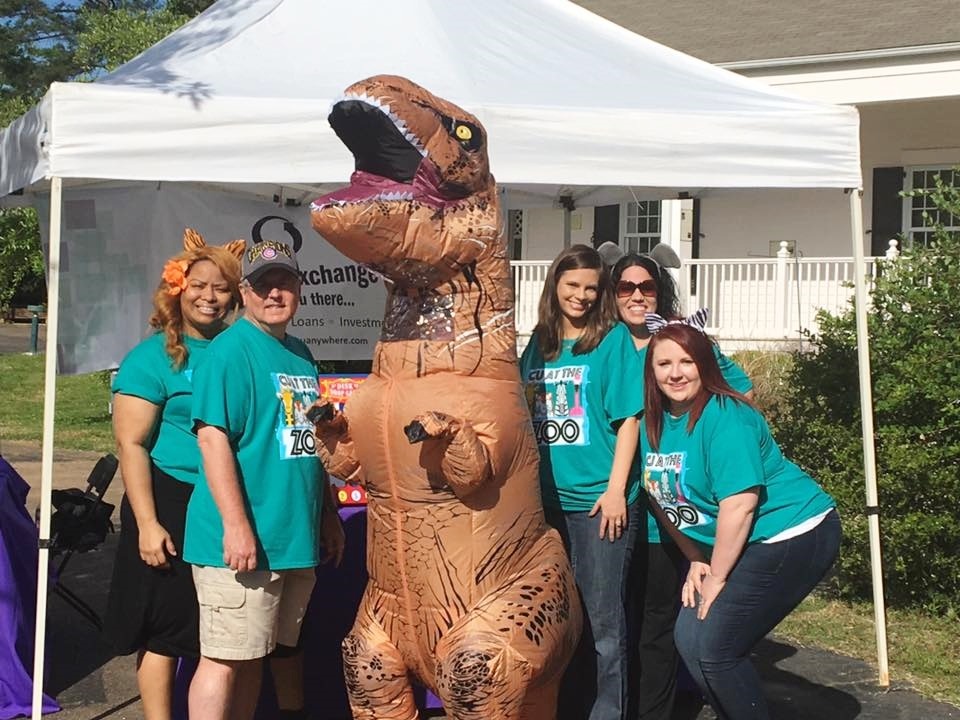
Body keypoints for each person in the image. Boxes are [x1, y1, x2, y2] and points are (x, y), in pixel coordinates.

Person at [640, 319, 841, 720]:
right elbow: (658, 494)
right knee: (689, 639)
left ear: (705, 365)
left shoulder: (726, 415)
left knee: (716, 649)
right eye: (664, 364)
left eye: (686, 361)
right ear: (652, 372)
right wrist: (695, 555)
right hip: (741, 541)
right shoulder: (655, 423)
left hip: (792, 532)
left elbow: (740, 505)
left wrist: (717, 576)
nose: (675, 373)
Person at [184, 239, 344, 720]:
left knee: (255, 655)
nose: (275, 294)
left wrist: (328, 514)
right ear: (245, 292)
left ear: (299, 290)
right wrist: (235, 525)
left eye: (285, 284)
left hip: (291, 538)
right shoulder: (230, 352)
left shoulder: (298, 352)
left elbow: (307, 444)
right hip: (240, 541)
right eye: (264, 285)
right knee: (223, 659)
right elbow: (211, 440)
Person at [104, 230, 244, 720]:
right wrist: (147, 523)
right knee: (165, 628)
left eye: (221, 288)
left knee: (219, 627)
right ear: (178, 288)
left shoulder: (236, 348)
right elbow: (132, 445)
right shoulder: (152, 357)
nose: (210, 297)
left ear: (235, 296)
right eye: (199, 285)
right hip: (168, 499)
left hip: (224, 501)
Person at [610, 252, 753, 720]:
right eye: (625, 287)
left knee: (660, 627)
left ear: (660, 292)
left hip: (670, 521)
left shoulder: (680, 340)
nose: (636, 295)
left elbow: (741, 397)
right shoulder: (605, 343)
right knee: (620, 622)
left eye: (646, 287)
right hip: (619, 509)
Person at [519, 244, 644, 720]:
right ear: (555, 285)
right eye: (573, 285)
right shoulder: (539, 343)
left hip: (597, 506)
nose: (582, 296)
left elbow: (629, 420)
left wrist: (615, 492)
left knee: (602, 624)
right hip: (544, 507)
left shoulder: (612, 342)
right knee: (555, 620)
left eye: (592, 288)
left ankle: (606, 713)